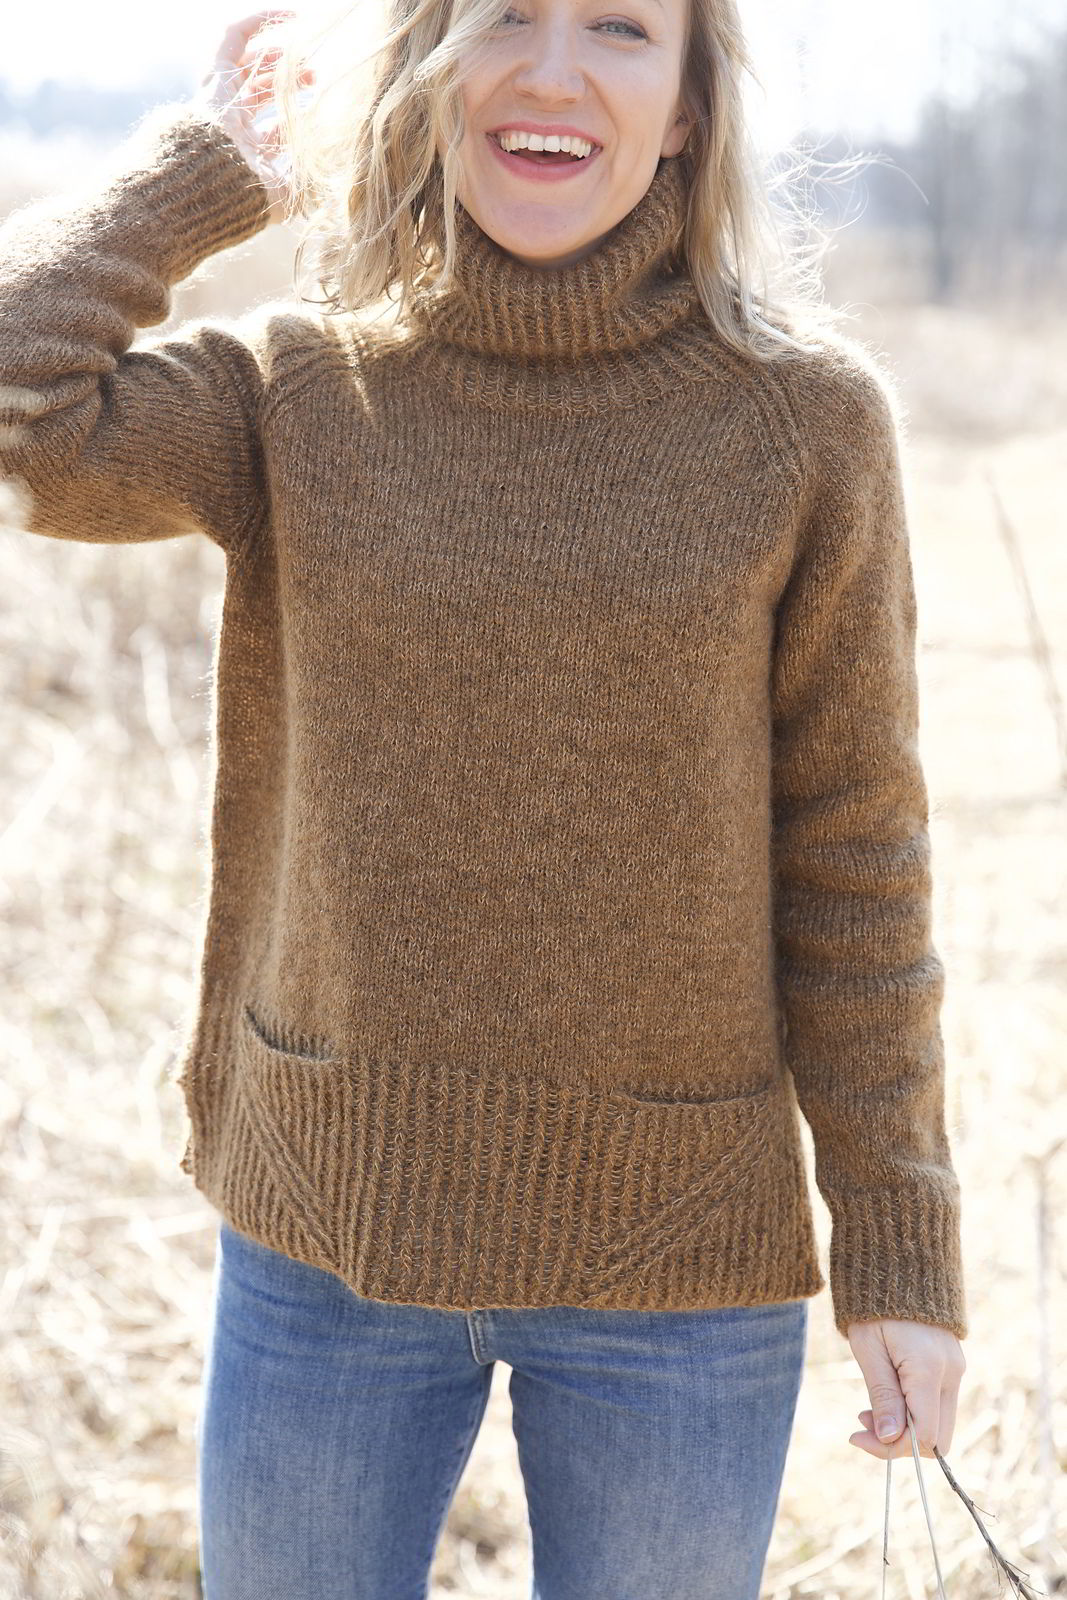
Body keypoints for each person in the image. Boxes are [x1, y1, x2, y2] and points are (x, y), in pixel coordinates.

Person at [0, 0, 968, 1594]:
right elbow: (24, 414)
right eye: (504, 15)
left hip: (680, 1265)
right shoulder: (298, 392)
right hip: (327, 1236)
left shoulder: (805, 426)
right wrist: (209, 174)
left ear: (689, 107)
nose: (553, 69)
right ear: (426, 78)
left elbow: (857, 858)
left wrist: (900, 1247)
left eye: (621, 28)